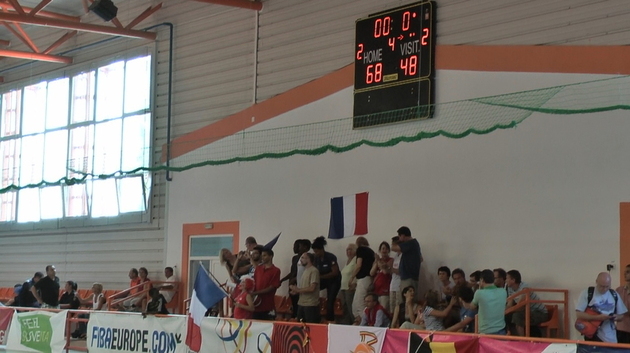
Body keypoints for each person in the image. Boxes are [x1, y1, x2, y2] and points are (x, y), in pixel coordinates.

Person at [576, 272, 627, 343]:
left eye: (607, 286)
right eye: (602, 286)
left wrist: (616, 317)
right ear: (596, 282)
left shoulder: (614, 295)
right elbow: (579, 314)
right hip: (592, 334)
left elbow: (622, 315)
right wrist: (598, 318)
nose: (604, 289)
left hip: (610, 336)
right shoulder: (587, 293)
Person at [463, 269, 507, 335]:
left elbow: (472, 307)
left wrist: (480, 288)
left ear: (482, 280)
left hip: (486, 331)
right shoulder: (503, 291)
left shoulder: (479, 293)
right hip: (501, 330)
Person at [506, 269, 547, 336]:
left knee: (517, 316)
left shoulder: (524, 287)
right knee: (506, 316)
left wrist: (509, 310)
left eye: (507, 278)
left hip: (539, 313)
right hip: (526, 311)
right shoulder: (510, 288)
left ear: (513, 280)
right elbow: (510, 304)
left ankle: (523, 342)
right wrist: (503, 311)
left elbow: (521, 306)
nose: (506, 280)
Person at [312, 236, 341, 322]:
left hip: (334, 281)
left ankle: (330, 320)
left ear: (321, 249)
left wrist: (321, 277)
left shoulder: (330, 257)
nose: (316, 253)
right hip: (324, 281)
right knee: (313, 296)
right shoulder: (316, 259)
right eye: (314, 251)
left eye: (317, 251)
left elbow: (335, 272)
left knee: (330, 301)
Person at [282, 239, 310, 318]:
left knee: (300, 304)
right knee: (294, 303)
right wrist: (283, 280)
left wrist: (295, 278)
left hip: (301, 284)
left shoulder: (308, 258)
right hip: (292, 284)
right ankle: (294, 317)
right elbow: (293, 271)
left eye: (298, 246)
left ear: (305, 247)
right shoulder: (294, 258)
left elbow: (305, 272)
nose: (295, 248)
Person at [289, 252, 320, 323]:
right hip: (301, 303)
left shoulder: (314, 271)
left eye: (302, 258)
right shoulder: (304, 271)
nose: (301, 260)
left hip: (310, 304)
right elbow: (304, 287)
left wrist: (298, 290)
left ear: (308, 259)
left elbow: (312, 288)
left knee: (311, 327)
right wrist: (295, 291)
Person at [252, 248, 281, 320]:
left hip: (267, 305)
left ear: (270, 256)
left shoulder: (276, 270)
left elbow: (272, 287)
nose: (262, 257)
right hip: (256, 304)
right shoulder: (258, 268)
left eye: (264, 255)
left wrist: (256, 293)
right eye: (262, 255)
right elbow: (254, 282)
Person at [350, 236, 375, 318]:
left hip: (363, 278)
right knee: (357, 303)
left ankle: (363, 322)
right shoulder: (371, 252)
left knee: (359, 304)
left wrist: (352, 277)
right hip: (368, 278)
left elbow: (358, 265)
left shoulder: (361, 250)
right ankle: (360, 320)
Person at [397, 226, 422, 301]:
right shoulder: (413, 245)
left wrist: (397, 242)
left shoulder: (411, 243)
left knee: (407, 301)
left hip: (409, 277)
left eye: (399, 236)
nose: (399, 239)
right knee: (404, 301)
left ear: (403, 236)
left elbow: (394, 248)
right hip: (407, 277)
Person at [370, 241, 393, 312]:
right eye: (382, 249)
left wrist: (378, 260)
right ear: (380, 250)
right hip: (376, 290)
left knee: (383, 310)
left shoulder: (391, 260)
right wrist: (377, 261)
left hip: (385, 290)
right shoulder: (377, 261)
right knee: (375, 310)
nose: (384, 251)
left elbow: (385, 271)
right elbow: (371, 273)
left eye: (386, 249)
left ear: (389, 250)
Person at [339, 243, 357, 325]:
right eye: (347, 250)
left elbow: (356, 273)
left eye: (350, 249)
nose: (348, 251)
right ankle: (346, 324)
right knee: (344, 307)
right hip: (343, 287)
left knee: (351, 307)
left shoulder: (356, 260)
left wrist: (354, 283)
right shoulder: (347, 261)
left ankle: (354, 322)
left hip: (350, 287)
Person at [616, 264, 630, 343]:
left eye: (628, 272)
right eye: (625, 272)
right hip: (621, 329)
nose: (625, 274)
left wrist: (622, 311)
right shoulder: (618, 290)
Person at [389, 236, 402, 315]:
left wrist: (391, 269)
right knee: (392, 308)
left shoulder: (403, 256)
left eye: (393, 245)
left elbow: (401, 271)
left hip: (399, 285)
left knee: (398, 307)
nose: (391, 247)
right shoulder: (395, 256)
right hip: (393, 284)